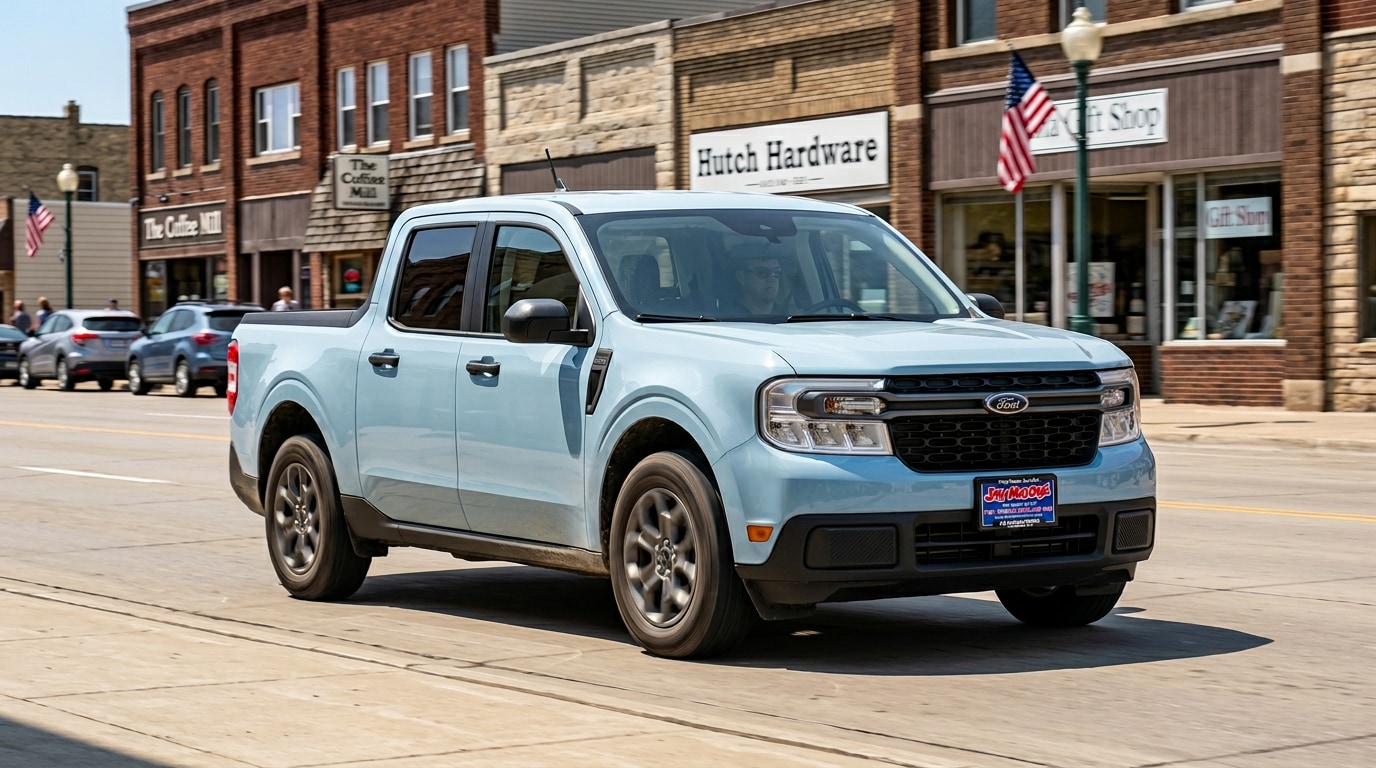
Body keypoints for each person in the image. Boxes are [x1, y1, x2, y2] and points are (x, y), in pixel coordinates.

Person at [721, 244, 783, 315]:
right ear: (741, 277)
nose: (771, 279)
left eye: (776, 273)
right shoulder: (727, 319)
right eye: (762, 273)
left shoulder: (788, 314)